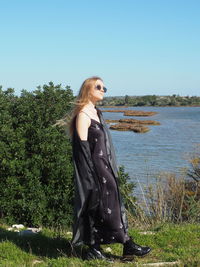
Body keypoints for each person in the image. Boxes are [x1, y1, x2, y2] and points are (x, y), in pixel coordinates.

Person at [68, 76, 151, 261]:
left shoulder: (97, 112)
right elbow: (81, 149)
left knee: (112, 204)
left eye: (104, 87)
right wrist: (88, 176)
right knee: (97, 205)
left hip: (105, 166)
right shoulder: (83, 115)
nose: (103, 90)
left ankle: (125, 244)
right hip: (94, 169)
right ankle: (97, 248)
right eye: (99, 87)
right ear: (88, 90)